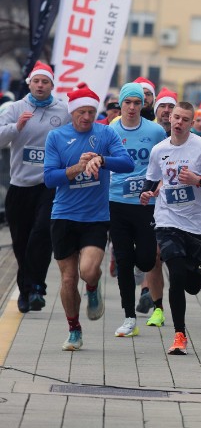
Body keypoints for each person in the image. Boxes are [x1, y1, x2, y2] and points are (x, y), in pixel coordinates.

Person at [44, 84, 135, 351]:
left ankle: (93, 288)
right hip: (63, 216)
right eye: (82, 111)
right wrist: (77, 168)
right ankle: (74, 330)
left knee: (87, 271)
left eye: (91, 112)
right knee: (69, 279)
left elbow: (127, 163)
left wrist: (101, 159)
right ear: (72, 112)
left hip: (95, 217)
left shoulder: (105, 133)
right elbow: (50, 178)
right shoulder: (56, 137)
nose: (86, 117)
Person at [140, 102, 201, 355]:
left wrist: (198, 180)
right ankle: (179, 335)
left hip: (200, 226)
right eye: (175, 117)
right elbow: (152, 177)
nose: (178, 122)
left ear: (192, 123)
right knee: (176, 275)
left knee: (191, 284)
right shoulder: (159, 150)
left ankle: (200, 271)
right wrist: (146, 192)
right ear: (170, 119)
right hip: (168, 220)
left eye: (184, 119)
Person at [0, 62, 69, 313]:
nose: (40, 86)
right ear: (29, 83)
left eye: (45, 82)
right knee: (21, 242)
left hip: (48, 184)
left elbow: (74, 137)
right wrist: (15, 127)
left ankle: (36, 287)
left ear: (52, 85)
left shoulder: (62, 111)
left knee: (41, 234)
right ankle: (26, 289)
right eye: (36, 81)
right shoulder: (16, 108)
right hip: (20, 186)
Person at [108, 83, 167, 337]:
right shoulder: (110, 130)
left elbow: (168, 160)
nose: (132, 108)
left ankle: (136, 265)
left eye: (137, 103)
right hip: (117, 203)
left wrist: (158, 188)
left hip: (146, 205)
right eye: (127, 103)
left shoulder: (154, 131)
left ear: (143, 105)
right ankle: (129, 317)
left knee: (146, 259)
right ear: (120, 105)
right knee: (123, 260)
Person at [136, 86, 178, 323]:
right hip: (147, 199)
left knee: (169, 255)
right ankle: (155, 303)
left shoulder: (183, 136)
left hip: (174, 204)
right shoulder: (149, 131)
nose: (166, 111)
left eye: (171, 107)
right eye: (162, 106)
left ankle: (157, 294)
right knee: (153, 254)